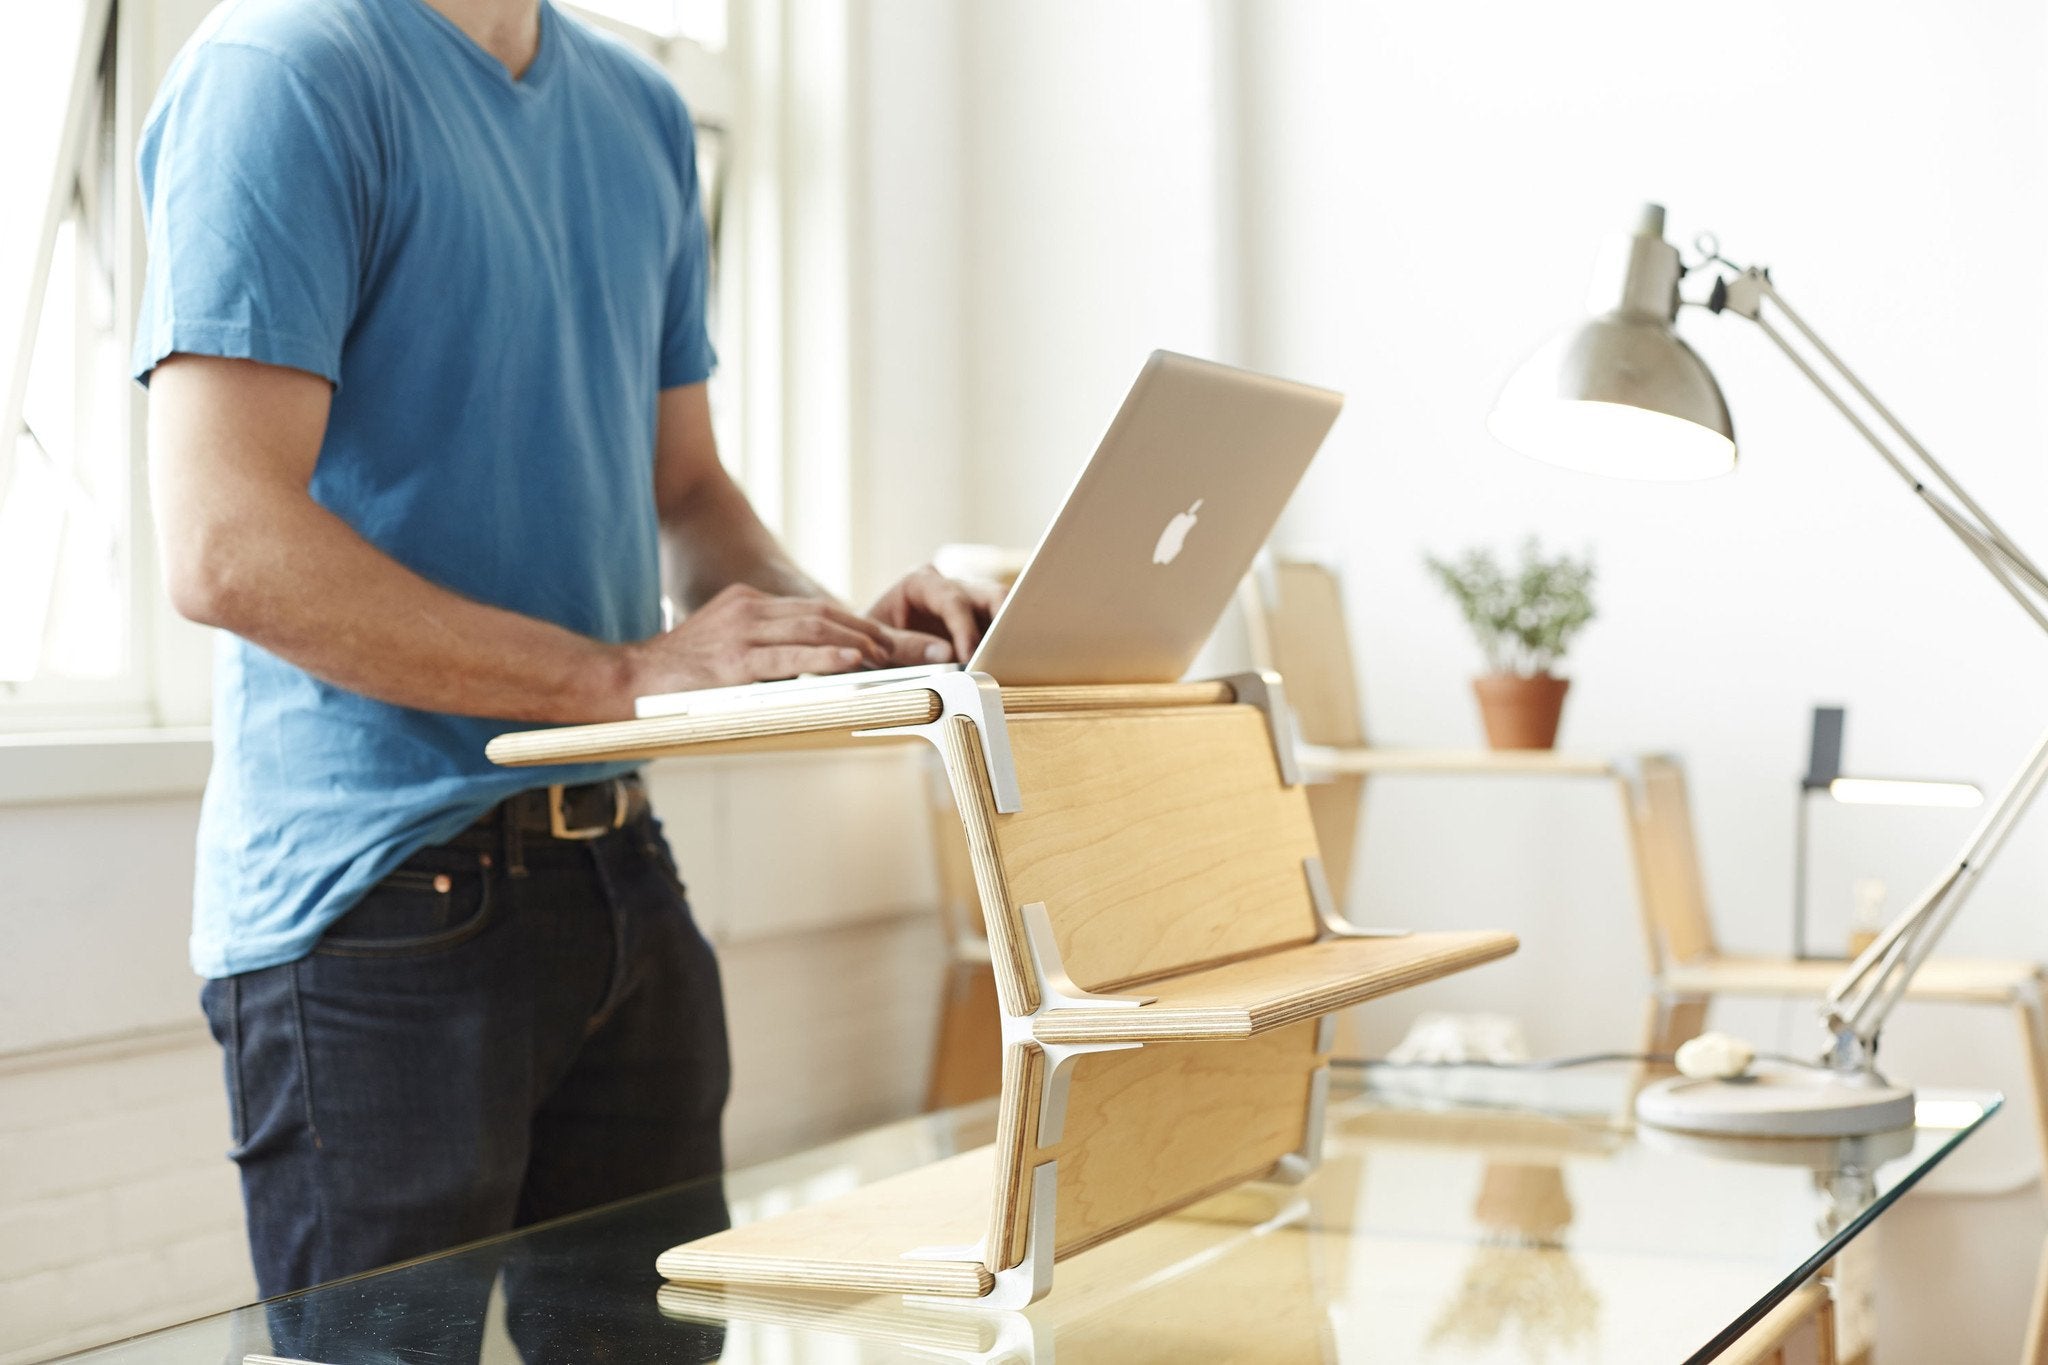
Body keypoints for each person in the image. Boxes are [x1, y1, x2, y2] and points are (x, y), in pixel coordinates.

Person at [135, 0, 997, 1297]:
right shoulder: (284, 71)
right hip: (374, 897)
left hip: (617, 873)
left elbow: (689, 492)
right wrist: (624, 675)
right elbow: (223, 541)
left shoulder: (639, 112)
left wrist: (850, 635)